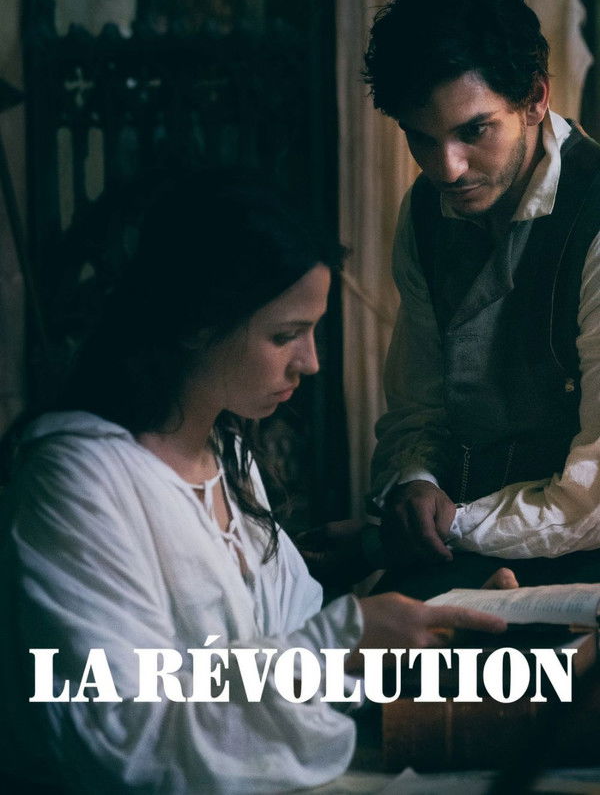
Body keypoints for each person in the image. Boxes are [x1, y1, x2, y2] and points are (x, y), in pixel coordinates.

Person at [0, 174, 506, 795]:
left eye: (312, 331)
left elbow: (292, 646)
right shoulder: (76, 481)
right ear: (196, 323)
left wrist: (438, 633)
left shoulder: (230, 458)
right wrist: (335, 644)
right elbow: (120, 733)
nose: (310, 362)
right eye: (284, 335)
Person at [360, 0, 600, 598]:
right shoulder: (424, 211)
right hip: (458, 551)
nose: (447, 168)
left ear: (536, 98)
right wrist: (414, 480)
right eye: (421, 138)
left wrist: (452, 523)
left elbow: (595, 493)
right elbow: (419, 404)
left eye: (474, 131)